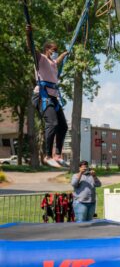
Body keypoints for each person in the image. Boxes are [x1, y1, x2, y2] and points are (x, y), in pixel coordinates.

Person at [26, 25, 69, 168]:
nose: (55, 53)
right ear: (47, 50)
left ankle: (57, 155)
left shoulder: (54, 64)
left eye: (56, 51)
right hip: (42, 96)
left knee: (63, 126)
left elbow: (58, 60)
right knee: (52, 123)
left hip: (53, 98)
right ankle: (47, 155)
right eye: (53, 50)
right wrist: (29, 35)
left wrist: (64, 53)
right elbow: (31, 48)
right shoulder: (42, 59)